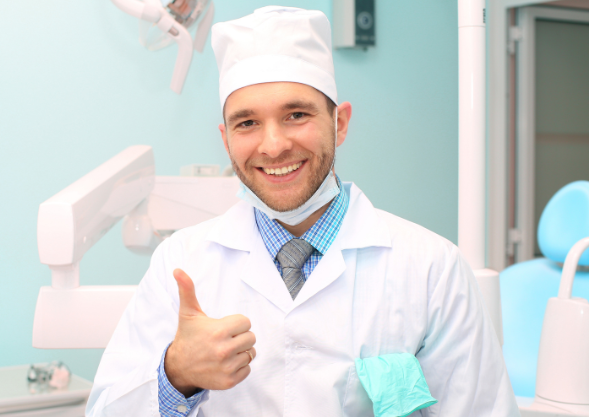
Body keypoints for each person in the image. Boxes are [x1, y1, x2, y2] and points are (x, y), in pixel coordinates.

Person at [86, 6, 519, 417]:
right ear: (225, 138)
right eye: (247, 122)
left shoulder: (432, 269)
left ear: (340, 123)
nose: (273, 145)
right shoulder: (180, 264)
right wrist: (175, 373)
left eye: (296, 114)